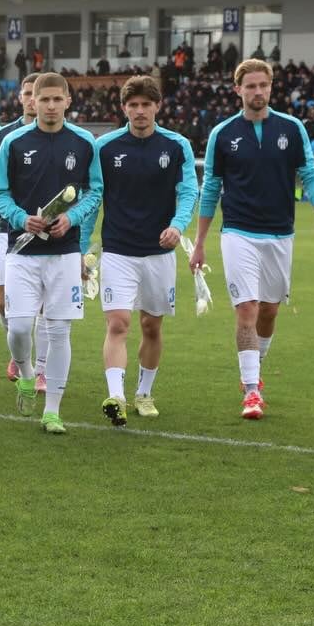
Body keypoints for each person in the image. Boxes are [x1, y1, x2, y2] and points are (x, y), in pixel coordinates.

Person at [189, 58, 314, 420]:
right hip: (238, 232)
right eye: (250, 86)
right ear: (237, 89)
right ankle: (252, 391)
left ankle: (254, 366)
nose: (258, 92)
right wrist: (201, 240)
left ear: (271, 88)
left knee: (269, 311)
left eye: (263, 86)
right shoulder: (222, 134)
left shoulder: (292, 127)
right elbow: (211, 190)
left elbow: (309, 174)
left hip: (280, 234)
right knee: (248, 309)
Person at [79, 76, 198, 425]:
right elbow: (93, 197)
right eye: (133, 105)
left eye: (146, 104)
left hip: (159, 252)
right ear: (123, 108)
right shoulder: (106, 147)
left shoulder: (176, 146)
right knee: (118, 323)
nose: (140, 111)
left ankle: (144, 393)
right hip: (117, 250)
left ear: (157, 106)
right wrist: (84, 248)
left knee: (151, 326)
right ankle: (116, 396)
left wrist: (177, 225)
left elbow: (188, 191)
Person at [0, 72, 102, 434]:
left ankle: (52, 410)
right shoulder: (14, 142)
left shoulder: (85, 142)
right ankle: (25, 373)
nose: (51, 106)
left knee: (59, 332)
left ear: (68, 101)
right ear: (32, 102)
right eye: (44, 99)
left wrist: (72, 217)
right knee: (19, 326)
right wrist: (23, 219)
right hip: (22, 252)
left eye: (58, 99)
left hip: (65, 253)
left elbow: (94, 192)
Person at [0, 73, 42, 384]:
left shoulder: (62, 137)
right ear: (21, 98)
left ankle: (37, 365)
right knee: (5, 302)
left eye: (37, 93)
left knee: (42, 304)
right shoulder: (4, 135)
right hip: (9, 231)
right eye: (28, 93)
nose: (32, 99)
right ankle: (18, 353)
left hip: (48, 235)